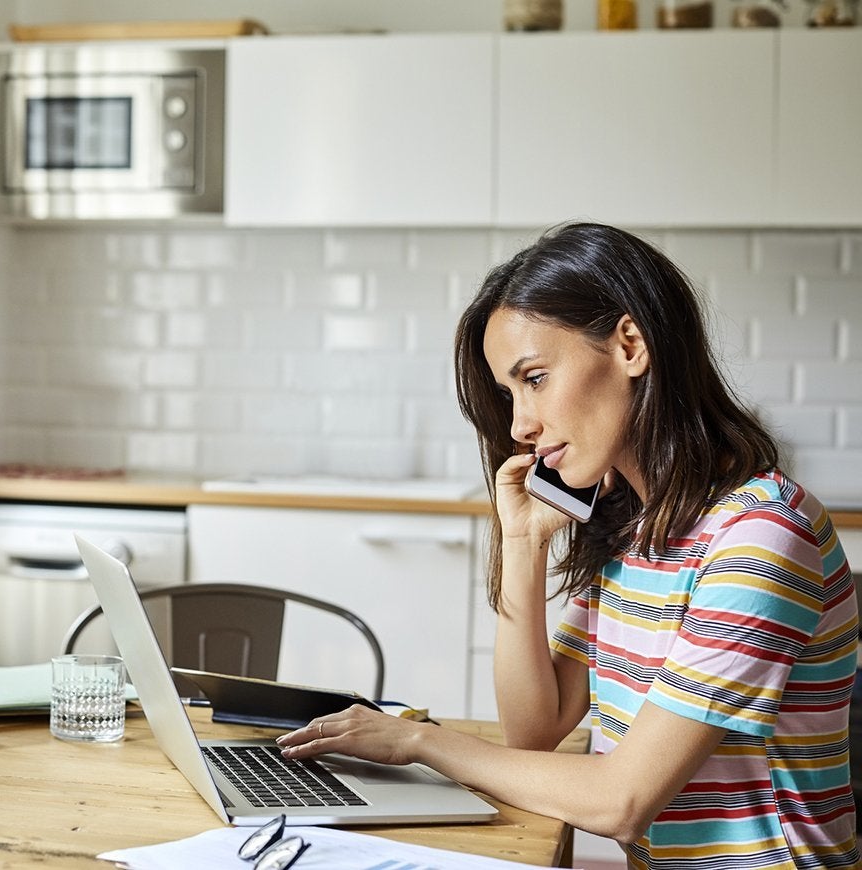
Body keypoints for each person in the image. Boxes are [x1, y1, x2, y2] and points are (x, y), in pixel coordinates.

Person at [276, 222, 859, 868]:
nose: (521, 425)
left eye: (535, 378)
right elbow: (535, 730)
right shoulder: (636, 531)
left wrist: (419, 742)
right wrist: (521, 546)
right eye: (508, 393)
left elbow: (623, 800)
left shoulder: (760, 536)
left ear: (630, 345)